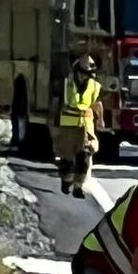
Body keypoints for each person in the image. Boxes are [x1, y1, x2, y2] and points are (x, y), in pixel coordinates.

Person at [52, 54, 102, 197]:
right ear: (77, 71)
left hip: (85, 126)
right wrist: (55, 123)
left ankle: (78, 187)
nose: (85, 76)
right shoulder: (66, 83)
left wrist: (100, 120)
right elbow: (57, 102)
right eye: (83, 73)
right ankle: (67, 181)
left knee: (84, 157)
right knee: (67, 158)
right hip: (68, 124)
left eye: (88, 73)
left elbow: (97, 103)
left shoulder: (94, 85)